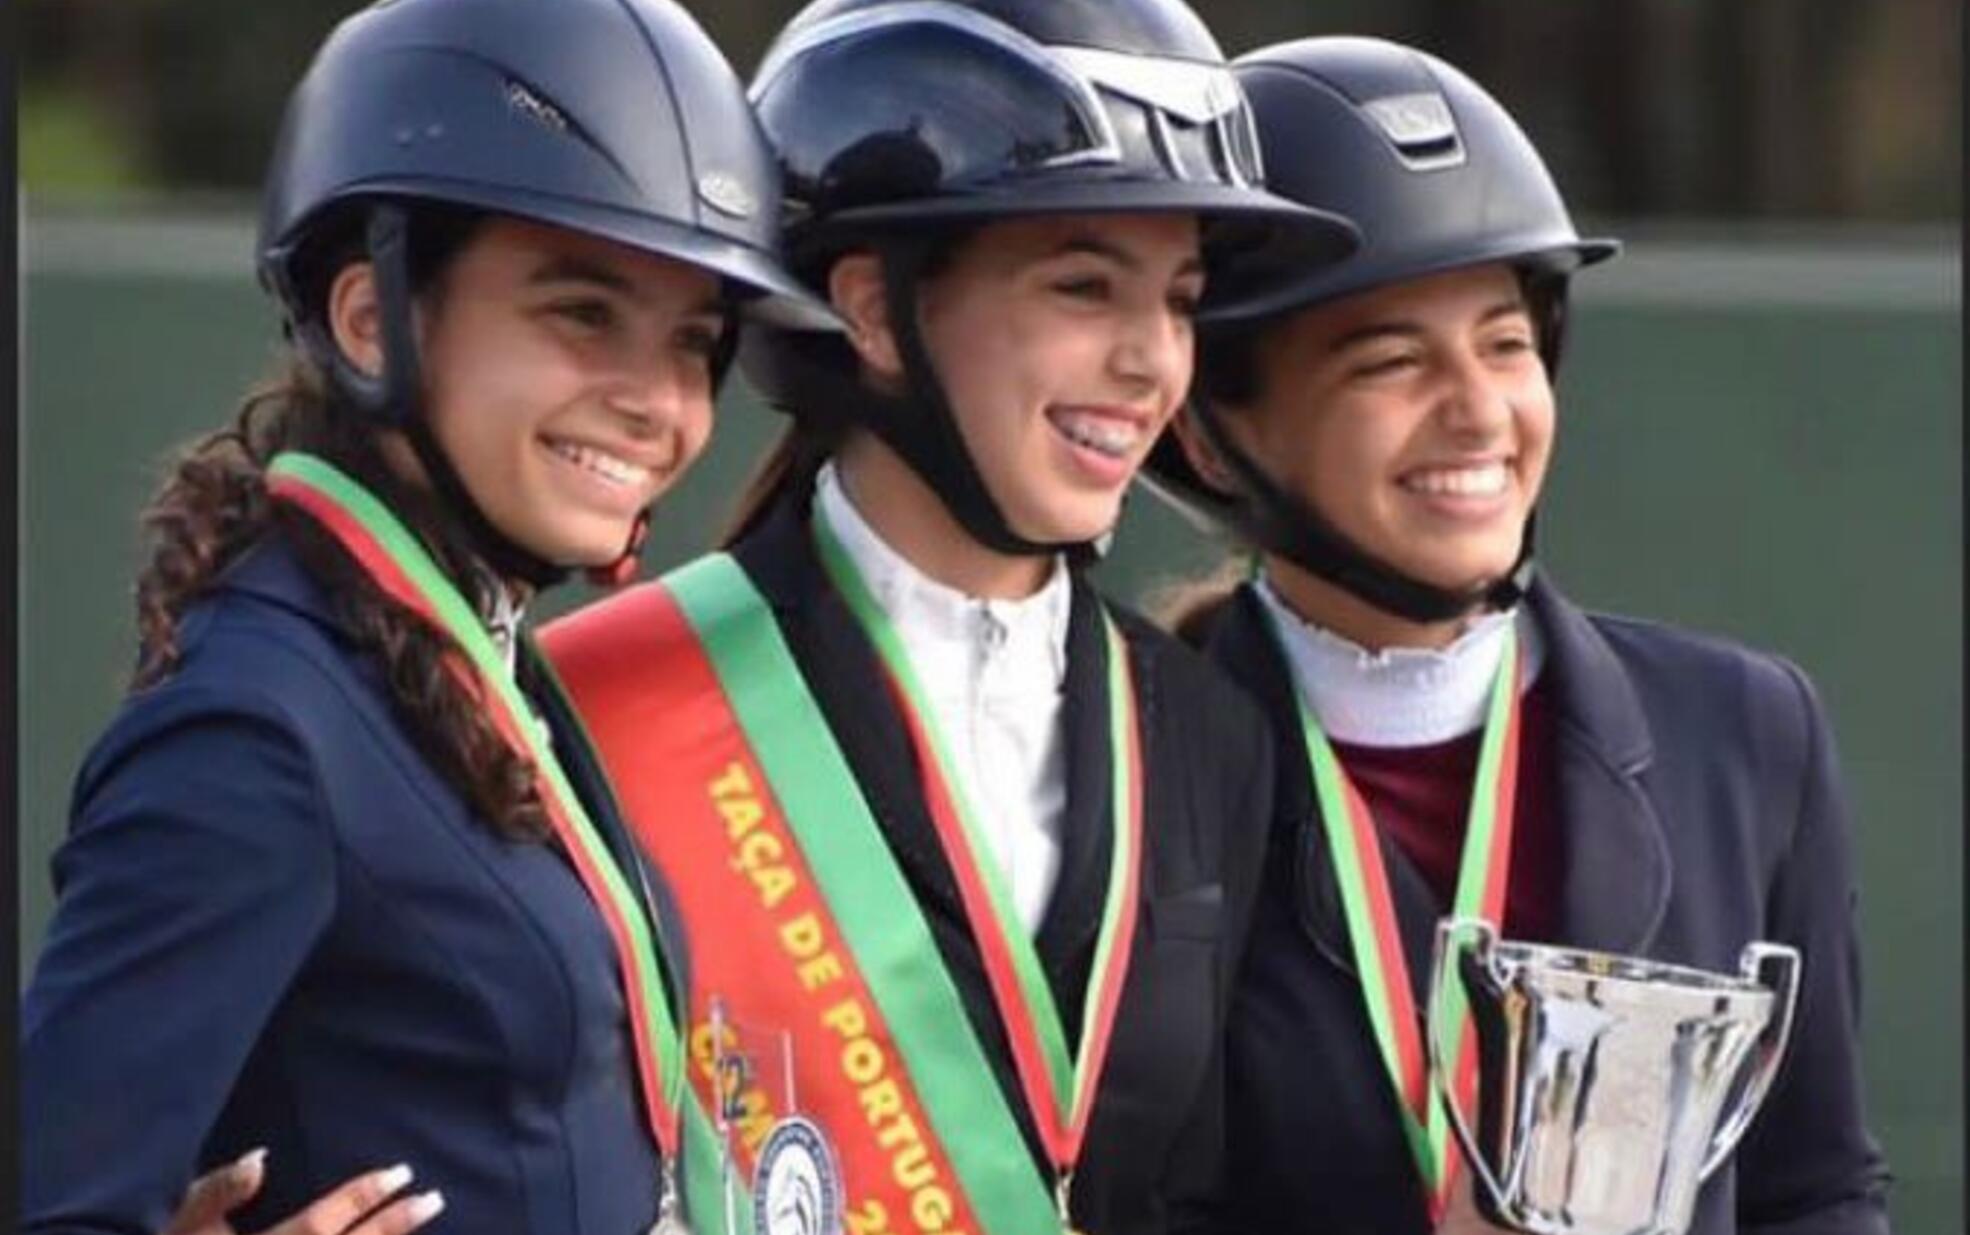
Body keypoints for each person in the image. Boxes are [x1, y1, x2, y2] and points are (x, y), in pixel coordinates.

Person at [535, 2, 1359, 1232]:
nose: (1150, 362)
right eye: (1086, 286)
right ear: (871, 308)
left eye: (1178, 299)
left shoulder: (1208, 737)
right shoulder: (594, 704)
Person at [20, 0, 833, 1231]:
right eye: (582, 312)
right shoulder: (259, 727)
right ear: (369, 315)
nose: (656, 402)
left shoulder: (473, 654)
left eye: (693, 345)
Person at [1143, 35, 1893, 1235]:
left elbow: (1815, 1188)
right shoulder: (1123, 762)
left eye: (1504, 342)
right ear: (1209, 433)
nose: (1477, 410)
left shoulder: (1747, 732)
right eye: (1391, 360)